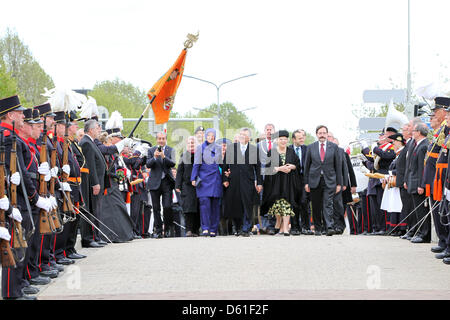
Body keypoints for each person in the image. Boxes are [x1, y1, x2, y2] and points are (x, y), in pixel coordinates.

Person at [0, 96, 54, 300]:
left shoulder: (10, 136)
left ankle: (17, 288)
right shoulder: (5, 136)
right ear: (10, 115)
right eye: (20, 112)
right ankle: (11, 293)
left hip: (19, 198)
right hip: (13, 199)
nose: (23, 115)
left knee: (20, 244)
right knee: (15, 245)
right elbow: (16, 171)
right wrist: (33, 197)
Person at [222, 128, 262, 237]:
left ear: (249, 138)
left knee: (247, 205)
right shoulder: (231, 148)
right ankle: (238, 228)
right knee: (236, 205)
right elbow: (225, 165)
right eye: (240, 134)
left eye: (244, 135)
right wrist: (225, 179)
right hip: (233, 181)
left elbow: (258, 168)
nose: (241, 136)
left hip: (248, 182)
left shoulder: (254, 150)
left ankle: (246, 228)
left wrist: (259, 183)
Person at [99, 122, 134, 243]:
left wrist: (120, 173)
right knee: (111, 212)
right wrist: (116, 174)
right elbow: (105, 170)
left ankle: (124, 233)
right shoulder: (105, 153)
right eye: (108, 142)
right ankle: (114, 235)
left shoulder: (112, 155)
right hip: (107, 185)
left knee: (119, 209)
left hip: (113, 184)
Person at [304, 125, 343, 236]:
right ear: (316, 134)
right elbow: (307, 166)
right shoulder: (311, 147)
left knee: (328, 203)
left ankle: (329, 227)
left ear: (327, 134)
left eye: (324, 133)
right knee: (315, 205)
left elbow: (338, 166)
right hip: (314, 180)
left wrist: (339, 183)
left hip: (329, 180)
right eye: (320, 133)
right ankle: (318, 228)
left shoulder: (334, 147)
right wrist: (306, 182)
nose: (322, 135)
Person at [261, 130, 300, 235]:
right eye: (281, 139)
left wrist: (292, 167)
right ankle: (281, 226)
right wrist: (279, 168)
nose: (283, 141)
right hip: (275, 183)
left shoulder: (291, 151)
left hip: (288, 183)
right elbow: (268, 169)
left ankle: (286, 228)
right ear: (277, 140)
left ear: (287, 140)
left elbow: (297, 164)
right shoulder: (272, 152)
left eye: (285, 139)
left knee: (286, 204)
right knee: (277, 205)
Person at [361, 127, 396, 235]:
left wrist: (374, 149)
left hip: (383, 178)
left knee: (382, 205)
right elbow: (372, 159)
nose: (380, 137)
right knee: (375, 207)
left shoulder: (390, 147)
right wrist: (365, 151)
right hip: (376, 179)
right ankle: (378, 227)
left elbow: (386, 157)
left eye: (383, 135)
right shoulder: (382, 148)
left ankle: (383, 227)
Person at [79, 119, 107, 248]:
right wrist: (95, 183)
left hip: (97, 182)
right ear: (90, 130)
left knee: (96, 210)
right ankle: (89, 238)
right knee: (91, 209)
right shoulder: (86, 143)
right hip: (91, 183)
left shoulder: (91, 142)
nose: (99, 130)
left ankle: (96, 236)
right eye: (97, 128)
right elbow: (90, 165)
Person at [191, 128, 223, 237]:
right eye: (209, 135)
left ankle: (213, 229)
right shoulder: (200, 148)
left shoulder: (218, 148)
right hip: (204, 180)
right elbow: (196, 164)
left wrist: (226, 175)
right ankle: (205, 228)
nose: (211, 137)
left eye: (213, 135)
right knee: (204, 204)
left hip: (215, 179)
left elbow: (221, 164)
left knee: (215, 205)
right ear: (206, 136)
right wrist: (193, 178)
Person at [146, 131, 176, 238]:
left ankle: (167, 228)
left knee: (167, 206)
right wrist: (154, 157)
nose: (161, 141)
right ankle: (158, 230)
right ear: (157, 139)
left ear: (166, 139)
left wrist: (163, 157)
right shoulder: (150, 150)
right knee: (156, 208)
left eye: (163, 139)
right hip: (154, 183)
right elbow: (148, 164)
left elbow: (173, 163)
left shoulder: (170, 150)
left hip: (166, 182)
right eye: (159, 139)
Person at [404, 122, 430, 243]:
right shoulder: (417, 145)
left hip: (418, 182)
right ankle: (419, 231)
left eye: (414, 131)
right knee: (416, 210)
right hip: (413, 180)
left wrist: (421, 185)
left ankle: (424, 233)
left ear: (419, 132)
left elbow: (421, 168)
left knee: (421, 210)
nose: (412, 133)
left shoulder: (423, 145)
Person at [380, 133, 406, 236]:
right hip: (394, 182)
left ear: (399, 141)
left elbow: (402, 168)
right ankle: (395, 227)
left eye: (394, 142)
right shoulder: (398, 154)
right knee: (394, 206)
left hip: (399, 182)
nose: (393, 144)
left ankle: (401, 227)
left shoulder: (402, 153)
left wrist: (391, 173)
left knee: (399, 206)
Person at [175, 136, 200, 237]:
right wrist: (178, 185)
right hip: (187, 186)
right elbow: (180, 171)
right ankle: (189, 230)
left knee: (198, 208)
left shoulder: (200, 156)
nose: (191, 145)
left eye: (193, 143)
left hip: (199, 185)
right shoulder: (184, 156)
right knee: (188, 208)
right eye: (189, 143)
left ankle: (196, 230)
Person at [257, 123, 277, 235]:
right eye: (267, 129)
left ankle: (272, 226)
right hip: (263, 178)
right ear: (265, 131)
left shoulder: (278, 144)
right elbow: (257, 164)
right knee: (262, 201)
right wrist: (257, 180)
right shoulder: (259, 145)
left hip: (274, 178)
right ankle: (264, 225)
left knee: (273, 202)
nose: (269, 131)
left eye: (271, 129)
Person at [328, 132, 349, 235]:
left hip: (338, 183)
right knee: (327, 205)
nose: (327, 138)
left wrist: (344, 183)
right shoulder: (320, 151)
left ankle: (339, 226)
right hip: (325, 182)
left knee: (338, 205)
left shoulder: (340, 150)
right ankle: (329, 226)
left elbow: (344, 168)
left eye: (329, 137)